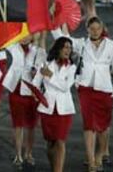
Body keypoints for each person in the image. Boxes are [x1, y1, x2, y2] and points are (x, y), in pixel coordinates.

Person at [56, 16, 113, 171]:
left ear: (102, 29)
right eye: (92, 28)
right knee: (89, 125)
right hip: (85, 89)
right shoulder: (81, 44)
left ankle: (100, 154)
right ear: (87, 29)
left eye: (98, 28)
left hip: (105, 90)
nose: (95, 31)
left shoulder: (111, 46)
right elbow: (63, 40)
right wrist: (58, 21)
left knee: (103, 126)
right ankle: (91, 160)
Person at [32, 37, 76, 172]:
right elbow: (35, 83)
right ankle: (54, 168)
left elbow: (65, 86)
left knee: (60, 141)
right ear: (58, 48)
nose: (68, 50)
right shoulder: (45, 64)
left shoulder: (72, 67)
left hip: (64, 110)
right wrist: (36, 93)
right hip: (47, 108)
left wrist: (50, 76)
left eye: (70, 48)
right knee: (51, 142)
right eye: (65, 47)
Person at [2, 36, 47, 168]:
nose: (24, 37)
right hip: (16, 88)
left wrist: (36, 73)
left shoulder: (39, 51)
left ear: (32, 36)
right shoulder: (13, 46)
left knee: (31, 125)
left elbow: (42, 69)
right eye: (22, 33)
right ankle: (18, 154)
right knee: (17, 124)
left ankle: (28, 153)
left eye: (27, 34)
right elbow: (2, 40)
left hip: (32, 91)